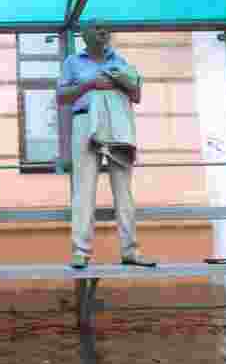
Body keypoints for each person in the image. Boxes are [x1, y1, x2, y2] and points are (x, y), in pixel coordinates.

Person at [56, 20, 157, 269]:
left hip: (117, 124)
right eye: (98, 28)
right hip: (85, 121)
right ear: (85, 35)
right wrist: (90, 84)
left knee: (123, 189)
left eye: (107, 29)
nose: (105, 32)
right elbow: (61, 97)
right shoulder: (73, 62)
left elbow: (137, 96)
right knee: (84, 189)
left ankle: (130, 251)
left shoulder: (119, 61)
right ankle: (80, 251)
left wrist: (122, 81)